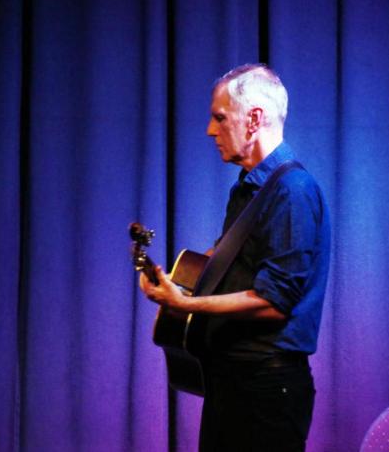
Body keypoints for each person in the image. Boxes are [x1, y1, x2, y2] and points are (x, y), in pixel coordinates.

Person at [139, 64, 331, 452]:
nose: (211, 130)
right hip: (231, 381)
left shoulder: (292, 191)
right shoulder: (248, 188)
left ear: (254, 118)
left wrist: (187, 303)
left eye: (219, 118)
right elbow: (228, 256)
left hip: (266, 388)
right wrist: (174, 281)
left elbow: (274, 303)